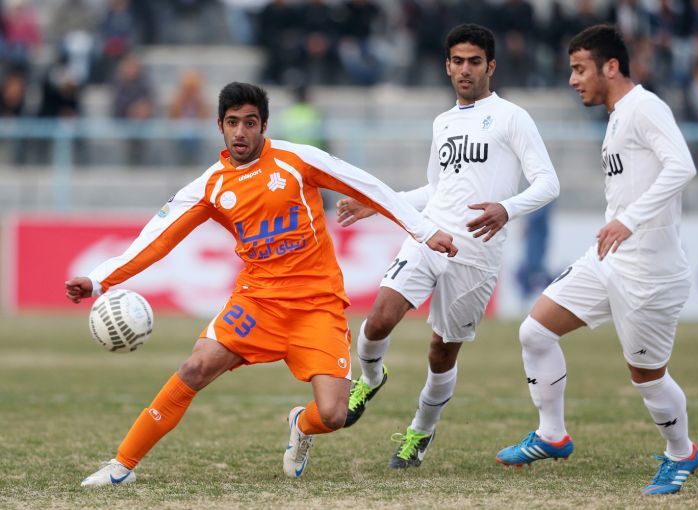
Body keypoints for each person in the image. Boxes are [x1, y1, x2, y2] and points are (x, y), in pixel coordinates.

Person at [65, 82, 458, 486]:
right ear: (220, 125)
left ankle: (301, 425)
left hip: (317, 306)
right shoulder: (210, 185)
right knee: (194, 367)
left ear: (264, 126)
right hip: (258, 304)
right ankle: (122, 466)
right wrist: (98, 280)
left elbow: (368, 186)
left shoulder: (297, 160)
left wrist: (424, 231)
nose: (241, 132)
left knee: (333, 415)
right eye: (232, 122)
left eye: (250, 123)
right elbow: (157, 239)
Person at [335, 23, 559, 468]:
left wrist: (506, 208)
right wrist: (378, 205)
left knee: (441, 352)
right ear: (447, 66)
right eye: (458, 61)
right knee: (379, 319)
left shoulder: (512, 117)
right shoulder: (443, 122)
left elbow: (548, 182)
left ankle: (420, 431)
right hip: (428, 235)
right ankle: (370, 379)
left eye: (474, 61)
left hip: (476, 253)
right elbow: (435, 190)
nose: (465, 69)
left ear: (491, 66)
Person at [495, 24, 698, 496]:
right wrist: (621, 223)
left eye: (579, 69)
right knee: (535, 331)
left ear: (611, 67)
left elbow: (682, 166)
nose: (572, 79)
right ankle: (552, 435)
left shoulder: (644, 107)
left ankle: (682, 452)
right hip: (609, 259)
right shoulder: (615, 118)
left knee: (647, 377)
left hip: (650, 272)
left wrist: (629, 220)